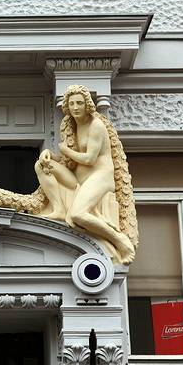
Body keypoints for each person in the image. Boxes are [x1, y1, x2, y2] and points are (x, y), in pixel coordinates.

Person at [35, 85, 135, 264]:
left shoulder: (96, 125)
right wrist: (50, 155)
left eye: (79, 103)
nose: (75, 107)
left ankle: (120, 240)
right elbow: (70, 160)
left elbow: (89, 159)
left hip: (100, 177)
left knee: (78, 214)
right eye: (71, 103)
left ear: (87, 104)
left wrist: (66, 150)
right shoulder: (73, 125)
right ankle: (59, 209)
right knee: (42, 166)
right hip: (79, 179)